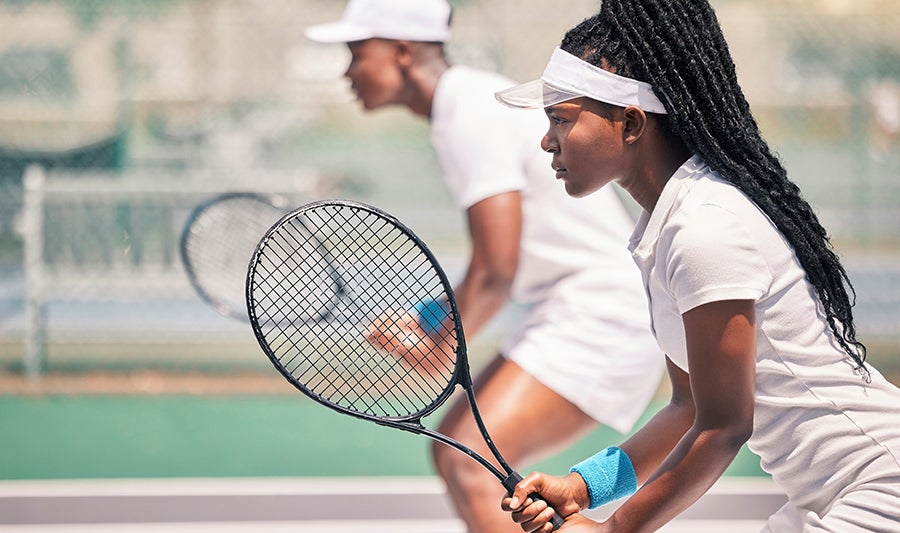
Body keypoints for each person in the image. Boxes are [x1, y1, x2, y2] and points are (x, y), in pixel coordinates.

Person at [493, 1, 900, 532]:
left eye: (561, 119)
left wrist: (613, 530)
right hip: (823, 496)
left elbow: (724, 426)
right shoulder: (669, 223)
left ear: (631, 123)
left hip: (881, 486)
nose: (547, 140)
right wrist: (584, 487)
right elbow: (687, 406)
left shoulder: (704, 229)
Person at [304, 1, 665, 531]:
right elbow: (509, 262)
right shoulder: (468, 102)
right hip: (587, 310)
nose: (347, 71)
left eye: (357, 52)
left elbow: (496, 267)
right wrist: (434, 323)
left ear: (401, 52)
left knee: (464, 461)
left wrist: (441, 345)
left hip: (600, 316)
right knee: (467, 462)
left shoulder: (466, 111)